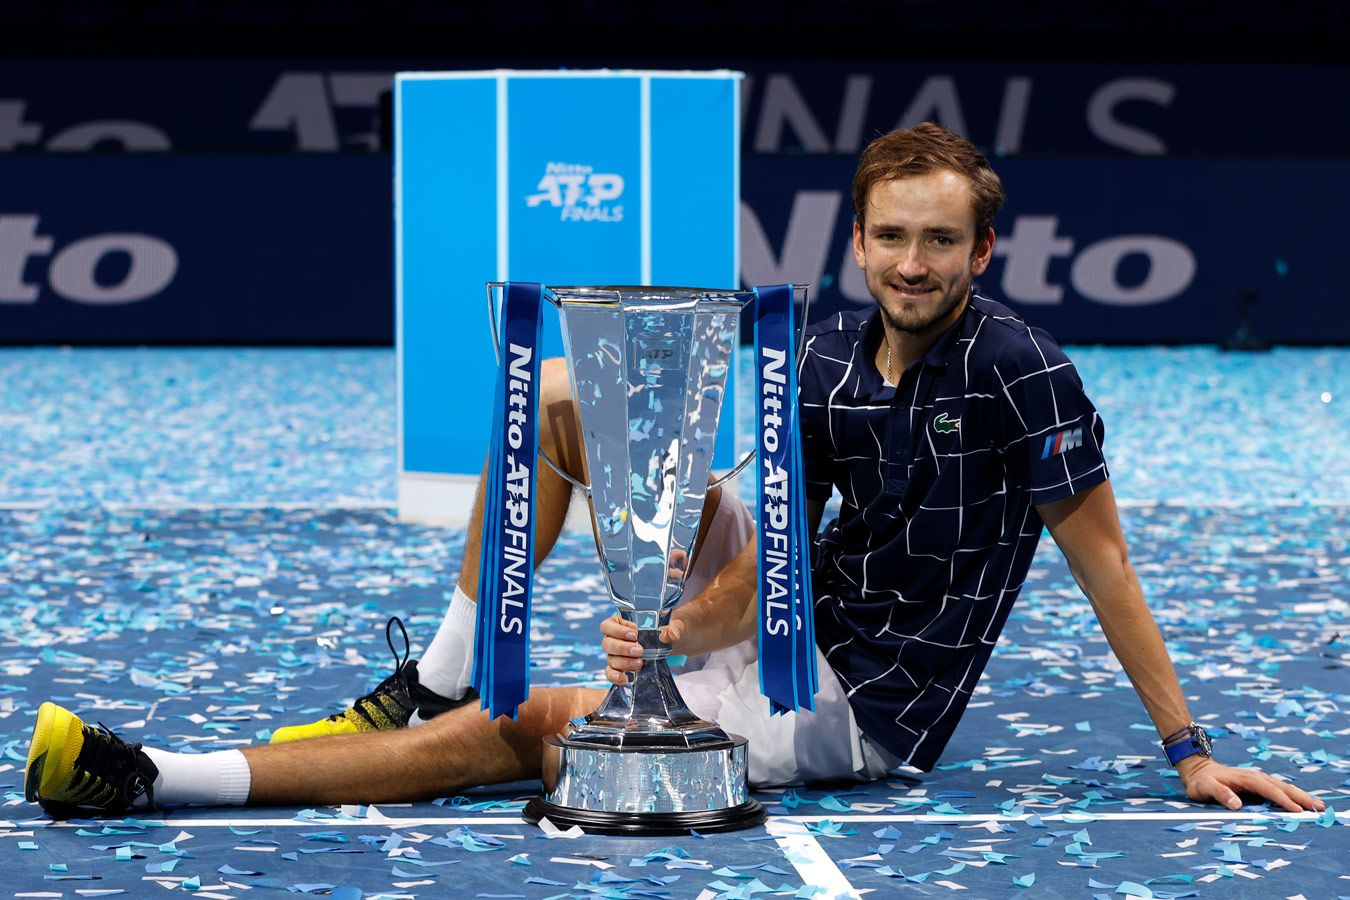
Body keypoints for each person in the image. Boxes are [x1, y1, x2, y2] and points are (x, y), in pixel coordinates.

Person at [24, 123, 1323, 818]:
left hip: (858, 705)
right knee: (559, 397)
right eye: (888, 238)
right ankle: (433, 676)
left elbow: (1102, 565)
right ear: (856, 240)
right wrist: (676, 627)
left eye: (939, 243)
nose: (911, 266)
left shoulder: (1019, 371)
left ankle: (160, 781)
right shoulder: (819, 353)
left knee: (531, 732)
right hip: (781, 632)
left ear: (983, 249)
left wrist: (1188, 748)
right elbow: (768, 560)